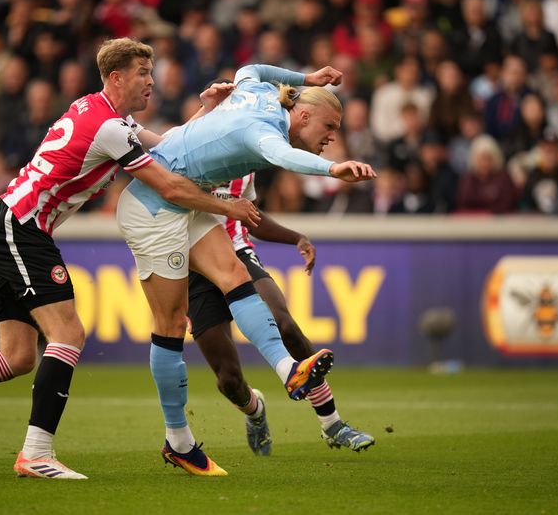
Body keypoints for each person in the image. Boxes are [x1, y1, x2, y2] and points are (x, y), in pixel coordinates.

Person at [0, 37, 259, 480]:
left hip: (8, 223)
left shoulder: (100, 111)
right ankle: (37, 453)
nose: (151, 81)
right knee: (69, 334)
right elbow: (169, 185)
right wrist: (229, 207)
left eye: (151, 73)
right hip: (20, 227)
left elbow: (169, 146)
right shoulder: (111, 128)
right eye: (142, 73)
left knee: (19, 356)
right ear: (116, 78)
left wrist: (207, 110)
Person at [115, 63, 376, 477]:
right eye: (329, 125)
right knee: (197, 351)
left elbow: (249, 69)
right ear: (303, 115)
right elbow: (282, 153)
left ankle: (307, 392)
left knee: (250, 289)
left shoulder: (251, 100)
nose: (332, 136)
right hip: (155, 210)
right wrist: (334, 168)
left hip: (198, 214)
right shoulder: (261, 134)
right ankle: (195, 433)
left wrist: (308, 79)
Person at [187, 172, 376, 455]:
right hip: (194, 266)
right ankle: (255, 410)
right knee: (228, 379)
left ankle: (332, 424)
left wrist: (296, 237)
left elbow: (250, 215)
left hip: (237, 252)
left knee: (284, 324)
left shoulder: (243, 162)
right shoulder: (179, 150)